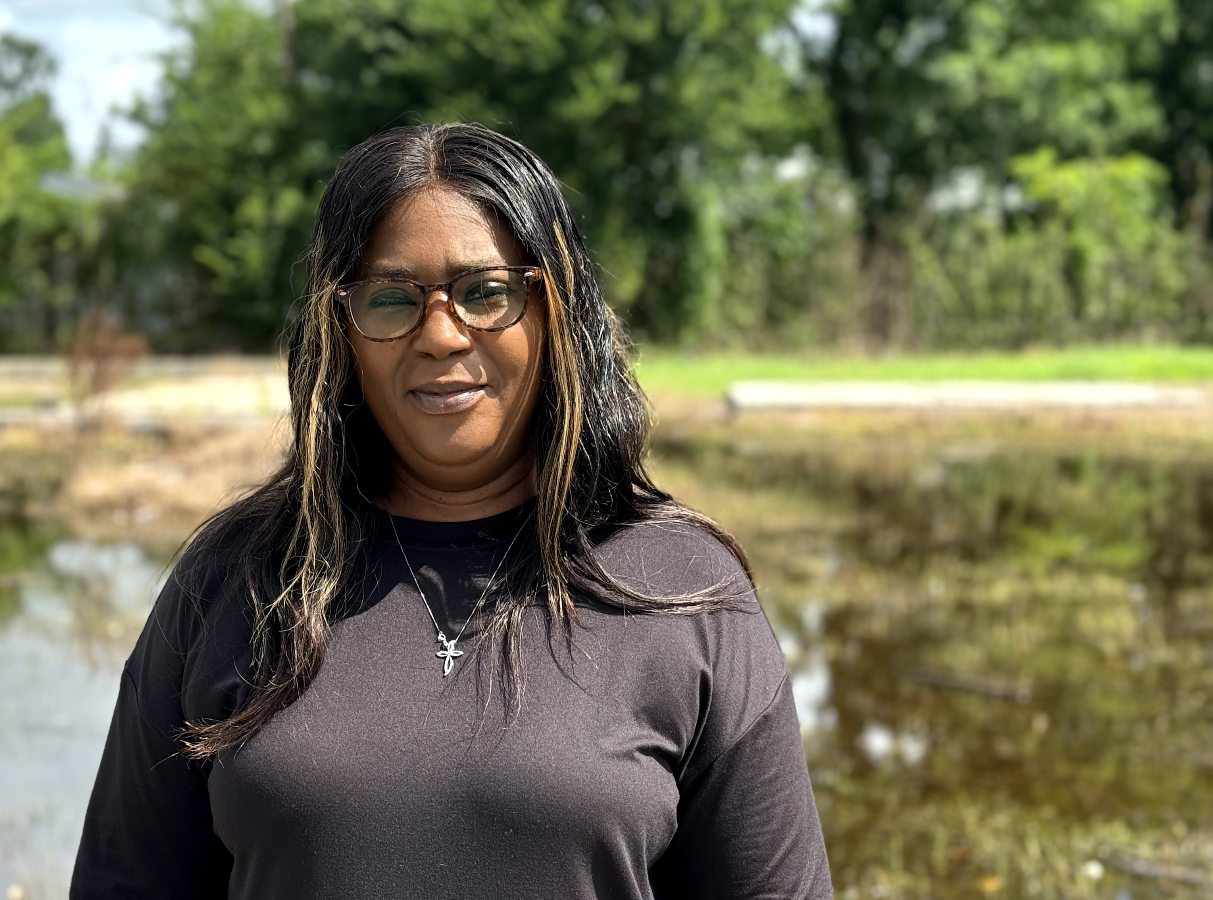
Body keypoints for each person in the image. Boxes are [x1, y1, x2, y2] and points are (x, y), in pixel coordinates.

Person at [70, 123, 832, 899]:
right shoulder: (234, 582)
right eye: (392, 298)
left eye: (486, 292)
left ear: (557, 311)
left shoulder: (686, 595)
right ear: (341, 333)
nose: (439, 333)